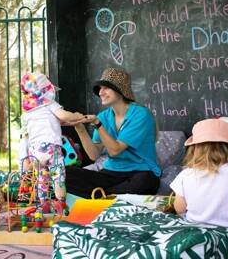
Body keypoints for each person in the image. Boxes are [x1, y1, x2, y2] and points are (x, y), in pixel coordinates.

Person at [65, 68, 162, 198]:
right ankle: (109, 195)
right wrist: (79, 128)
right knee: (64, 174)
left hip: (140, 172)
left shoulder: (140, 114)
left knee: (145, 182)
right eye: (99, 89)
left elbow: (115, 150)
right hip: (111, 173)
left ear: (120, 89)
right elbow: (94, 155)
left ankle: (102, 196)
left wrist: (98, 124)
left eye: (106, 88)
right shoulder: (104, 116)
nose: (100, 93)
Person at [20, 72, 85, 205]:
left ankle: (43, 204)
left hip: (35, 151)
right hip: (51, 148)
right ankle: (61, 203)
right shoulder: (49, 104)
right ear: (46, 90)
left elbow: (55, 122)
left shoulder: (28, 112)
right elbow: (64, 116)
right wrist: (76, 115)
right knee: (58, 177)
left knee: (41, 178)